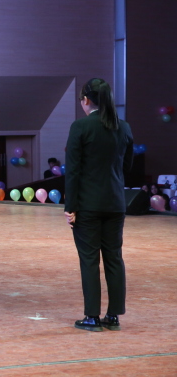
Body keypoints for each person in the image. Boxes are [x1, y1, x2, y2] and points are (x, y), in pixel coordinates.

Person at [64, 78, 134, 332]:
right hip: (116, 203)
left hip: (87, 206)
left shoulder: (80, 127)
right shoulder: (124, 127)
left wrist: (70, 207)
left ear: (86, 100)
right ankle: (113, 316)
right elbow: (127, 167)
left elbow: (73, 171)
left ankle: (92, 317)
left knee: (89, 260)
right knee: (114, 258)